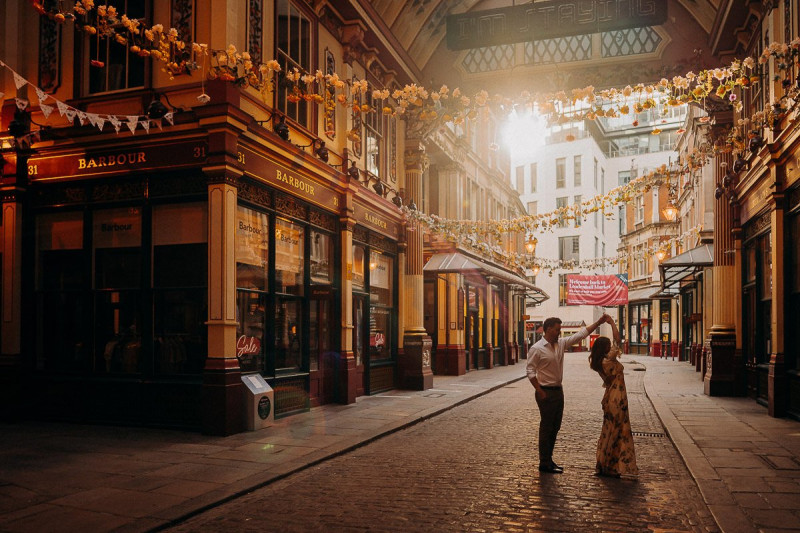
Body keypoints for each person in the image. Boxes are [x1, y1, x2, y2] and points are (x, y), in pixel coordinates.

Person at [527, 314, 608, 474]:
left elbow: (581, 334)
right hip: (545, 392)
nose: (559, 332)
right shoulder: (537, 348)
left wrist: (598, 322)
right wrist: (539, 390)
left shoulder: (561, 344)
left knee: (555, 427)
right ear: (548, 329)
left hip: (558, 391)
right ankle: (544, 462)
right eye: (557, 330)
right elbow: (530, 371)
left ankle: (549, 460)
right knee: (546, 427)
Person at [589, 316, 639, 478]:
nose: (612, 347)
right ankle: (610, 466)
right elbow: (618, 339)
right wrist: (611, 323)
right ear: (604, 348)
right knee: (617, 431)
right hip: (616, 399)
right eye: (609, 346)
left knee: (609, 431)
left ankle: (606, 464)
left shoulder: (599, 362)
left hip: (611, 398)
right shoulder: (608, 359)